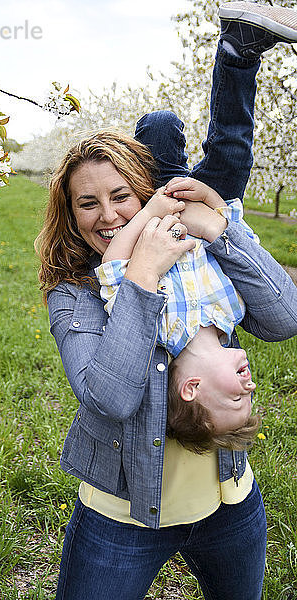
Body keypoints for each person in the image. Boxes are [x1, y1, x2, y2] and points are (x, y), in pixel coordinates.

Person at [36, 3, 297, 599]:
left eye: (121, 195)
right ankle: (235, 53)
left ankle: (238, 49)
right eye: (87, 203)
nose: (107, 216)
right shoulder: (76, 292)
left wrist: (220, 226)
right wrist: (142, 278)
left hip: (229, 502)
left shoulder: (190, 238)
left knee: (221, 161)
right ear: (68, 214)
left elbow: (284, 319)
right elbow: (110, 397)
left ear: (145, 191)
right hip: (124, 516)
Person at [94, 177, 261, 453]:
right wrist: (209, 195)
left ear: (191, 388)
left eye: (238, 398)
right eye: (251, 396)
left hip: (159, 195)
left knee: (162, 135)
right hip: (199, 194)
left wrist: (149, 212)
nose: (251, 385)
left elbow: (112, 267)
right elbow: (241, 240)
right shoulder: (234, 312)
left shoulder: (155, 327)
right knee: (233, 148)